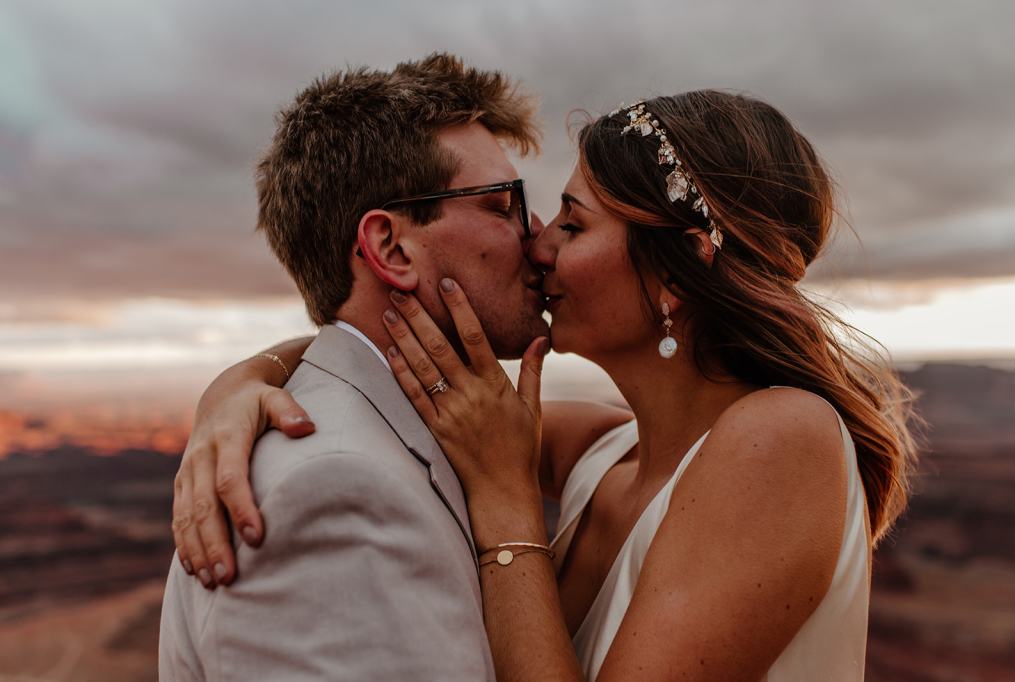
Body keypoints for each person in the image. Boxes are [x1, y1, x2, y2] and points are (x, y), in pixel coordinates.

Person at [174, 92, 918, 680]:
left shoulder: (782, 437)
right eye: (524, 212)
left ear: (678, 268)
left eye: (573, 224)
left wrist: (505, 505)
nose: (538, 244)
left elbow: (476, 443)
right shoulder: (606, 450)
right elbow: (386, 378)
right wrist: (239, 385)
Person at [158, 53, 555, 681]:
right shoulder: (335, 489)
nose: (537, 236)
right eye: (502, 203)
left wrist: (248, 373)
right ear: (392, 247)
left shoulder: (444, 428)